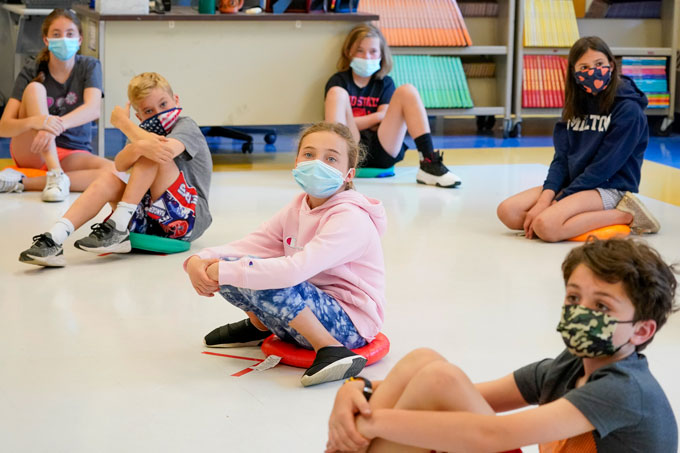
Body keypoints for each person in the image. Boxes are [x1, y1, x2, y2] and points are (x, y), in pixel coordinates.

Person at [326, 237, 678, 452]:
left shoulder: (625, 390)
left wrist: (368, 424)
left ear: (641, 331)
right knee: (425, 363)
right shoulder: (566, 367)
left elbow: (491, 434)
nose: (581, 313)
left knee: (440, 379)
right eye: (574, 298)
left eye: (601, 306)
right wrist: (358, 389)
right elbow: (458, 395)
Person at [185, 122, 386, 387]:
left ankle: (331, 350)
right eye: (309, 154)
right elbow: (253, 243)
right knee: (239, 266)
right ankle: (259, 325)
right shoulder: (298, 205)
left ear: (349, 174)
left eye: (331, 158)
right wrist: (199, 260)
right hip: (309, 307)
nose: (317, 164)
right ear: (296, 161)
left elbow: (295, 270)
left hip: (350, 325)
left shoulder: (351, 218)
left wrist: (222, 271)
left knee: (261, 273)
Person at [18, 72, 212, 266]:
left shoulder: (186, 125)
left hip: (189, 217)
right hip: (149, 215)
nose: (158, 112)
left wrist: (123, 123)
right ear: (139, 116)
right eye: (149, 111)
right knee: (109, 178)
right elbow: (120, 165)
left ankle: (118, 227)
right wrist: (136, 145)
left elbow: (164, 151)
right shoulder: (143, 134)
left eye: (163, 104)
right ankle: (54, 239)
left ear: (175, 100)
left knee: (151, 150)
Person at [497, 36, 660, 242]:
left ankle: (627, 215)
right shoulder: (576, 104)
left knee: (546, 226)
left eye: (599, 64)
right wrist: (546, 197)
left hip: (608, 186)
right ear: (574, 74)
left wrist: (559, 201)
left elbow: (603, 167)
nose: (592, 71)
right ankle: (574, 214)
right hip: (575, 183)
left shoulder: (629, 110)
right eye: (584, 67)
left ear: (611, 64)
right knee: (508, 212)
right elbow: (561, 158)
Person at [324, 24, 461, 188]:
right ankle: (332, 167)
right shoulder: (339, 82)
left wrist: (355, 120)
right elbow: (341, 124)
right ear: (349, 52)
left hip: (383, 148)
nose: (367, 56)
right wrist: (378, 117)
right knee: (336, 94)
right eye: (360, 50)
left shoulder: (385, 83)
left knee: (407, 91)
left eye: (373, 51)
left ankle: (429, 163)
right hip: (349, 151)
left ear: (381, 54)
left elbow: (381, 118)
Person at [0, 9, 113, 202]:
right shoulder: (32, 68)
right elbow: (4, 127)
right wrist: (36, 122)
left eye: (70, 34)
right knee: (35, 89)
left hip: (71, 150)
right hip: (32, 149)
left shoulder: (89, 66)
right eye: (56, 34)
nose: (63, 39)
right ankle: (55, 173)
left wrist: (51, 127)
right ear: (46, 40)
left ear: (79, 39)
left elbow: (93, 109)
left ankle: (22, 183)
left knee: (114, 172)